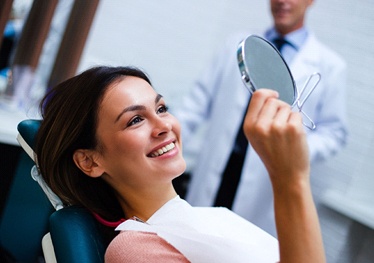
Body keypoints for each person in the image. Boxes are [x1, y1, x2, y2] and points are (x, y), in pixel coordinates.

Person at [35, 66, 325, 262]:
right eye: (135, 120)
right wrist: (290, 179)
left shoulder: (215, 218)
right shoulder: (137, 250)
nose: (164, 125)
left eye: (162, 108)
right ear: (89, 161)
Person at [173, 0, 348, 236]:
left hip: (264, 187)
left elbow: (334, 133)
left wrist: (293, 147)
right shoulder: (235, 45)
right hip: (214, 173)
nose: (282, 1)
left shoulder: (330, 67)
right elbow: (195, 103)